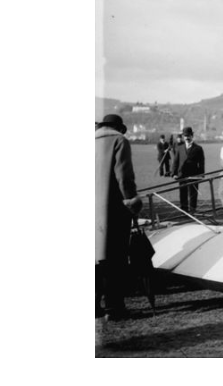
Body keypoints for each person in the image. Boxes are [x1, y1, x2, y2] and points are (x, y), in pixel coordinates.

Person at [96, 114, 142, 325]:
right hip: (112, 210)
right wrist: (132, 201)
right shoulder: (119, 140)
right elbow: (124, 176)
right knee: (115, 259)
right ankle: (114, 308)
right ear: (118, 127)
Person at [171, 127, 205, 214]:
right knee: (183, 193)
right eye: (185, 136)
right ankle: (184, 210)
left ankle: (192, 210)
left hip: (194, 175)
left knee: (193, 193)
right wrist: (173, 173)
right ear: (183, 137)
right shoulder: (179, 148)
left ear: (192, 136)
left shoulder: (198, 148)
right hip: (182, 174)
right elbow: (176, 161)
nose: (187, 138)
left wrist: (201, 175)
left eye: (188, 136)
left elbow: (201, 163)